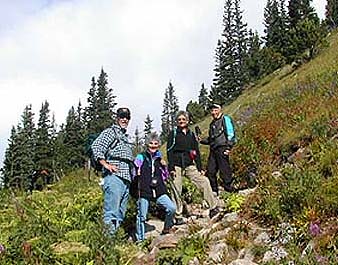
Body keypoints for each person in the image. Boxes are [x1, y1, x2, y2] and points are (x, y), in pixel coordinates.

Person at [167, 110, 220, 222]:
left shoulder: (191, 135)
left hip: (189, 164)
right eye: (179, 120)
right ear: (177, 121)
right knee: (176, 188)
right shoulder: (173, 133)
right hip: (176, 165)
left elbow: (196, 152)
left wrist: (200, 168)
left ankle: (213, 207)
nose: (181, 121)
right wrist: (171, 168)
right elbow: (169, 151)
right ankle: (177, 215)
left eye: (183, 119)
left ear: (187, 120)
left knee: (204, 181)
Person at [91, 107, 134, 234]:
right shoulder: (110, 132)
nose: (124, 119)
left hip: (126, 179)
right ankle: (107, 242)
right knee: (111, 212)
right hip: (114, 177)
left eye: (127, 117)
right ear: (117, 118)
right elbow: (96, 146)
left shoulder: (124, 137)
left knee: (121, 213)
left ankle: (114, 239)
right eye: (122, 117)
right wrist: (105, 164)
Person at [133, 132, 176, 242]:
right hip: (144, 190)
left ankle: (167, 228)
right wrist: (136, 170)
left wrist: (164, 167)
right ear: (147, 144)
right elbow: (134, 169)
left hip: (159, 190)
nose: (153, 145)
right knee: (142, 216)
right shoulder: (141, 157)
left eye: (155, 143)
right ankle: (140, 240)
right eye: (151, 143)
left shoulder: (159, 158)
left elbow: (165, 176)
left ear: (158, 145)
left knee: (171, 208)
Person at [200, 103, 236, 195]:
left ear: (220, 109)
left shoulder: (225, 119)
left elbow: (231, 134)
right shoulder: (212, 123)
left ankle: (229, 189)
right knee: (210, 170)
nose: (213, 112)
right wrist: (201, 140)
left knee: (224, 170)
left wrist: (229, 147)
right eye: (212, 110)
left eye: (215, 110)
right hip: (213, 149)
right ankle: (214, 190)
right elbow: (211, 139)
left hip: (223, 147)